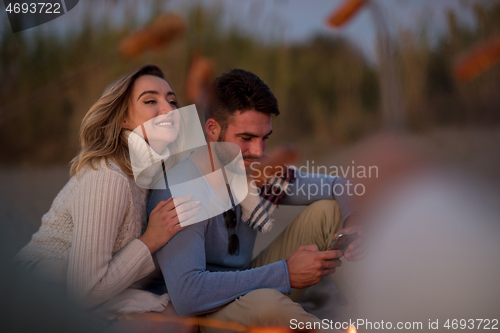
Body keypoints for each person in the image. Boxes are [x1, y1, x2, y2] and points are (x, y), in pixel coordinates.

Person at [148, 68, 365, 331]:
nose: (258, 151)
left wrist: (353, 222)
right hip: (200, 316)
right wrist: (285, 273)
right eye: (246, 138)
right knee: (267, 304)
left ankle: (389, 310)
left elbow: (341, 185)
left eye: (265, 139)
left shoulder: (258, 171)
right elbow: (187, 295)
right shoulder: (183, 186)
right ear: (213, 130)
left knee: (330, 212)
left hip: (247, 282)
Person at [14, 64, 198, 331]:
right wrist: (151, 239)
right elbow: (85, 290)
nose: (169, 110)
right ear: (123, 118)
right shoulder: (108, 176)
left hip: (98, 291)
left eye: (172, 101)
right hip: (38, 290)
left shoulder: (151, 172)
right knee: (174, 321)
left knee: (182, 317)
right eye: (150, 101)